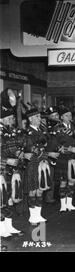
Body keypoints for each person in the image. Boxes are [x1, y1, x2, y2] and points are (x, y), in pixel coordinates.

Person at [0, 92, 25, 240]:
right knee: (1, 200)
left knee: (9, 199)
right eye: (9, 118)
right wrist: (6, 161)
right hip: (1, 170)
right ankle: (1, 229)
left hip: (10, 170)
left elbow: (13, 147)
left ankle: (8, 226)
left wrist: (19, 154)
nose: (12, 120)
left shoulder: (10, 131)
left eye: (12, 118)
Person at [53, 107, 75, 213]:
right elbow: (55, 145)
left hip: (74, 158)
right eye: (66, 115)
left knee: (72, 180)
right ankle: (63, 205)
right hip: (63, 158)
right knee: (63, 182)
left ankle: (69, 203)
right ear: (61, 117)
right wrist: (69, 149)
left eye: (70, 115)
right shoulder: (56, 128)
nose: (69, 117)